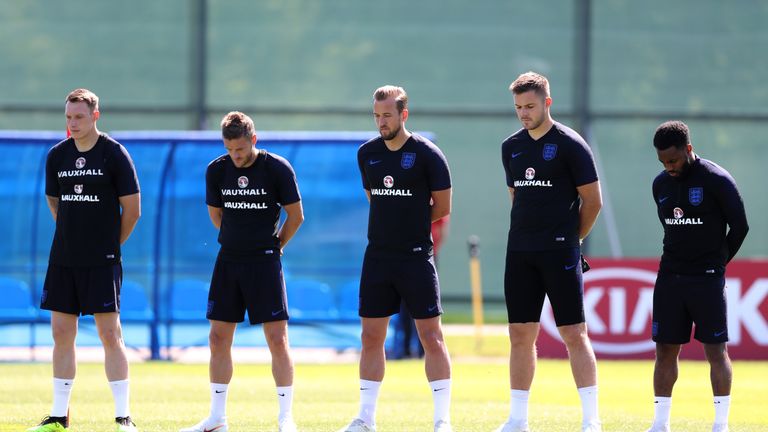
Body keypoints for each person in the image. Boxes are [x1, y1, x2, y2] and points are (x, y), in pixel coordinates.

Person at [339, 85, 453, 432]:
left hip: (416, 258)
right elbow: (375, 197)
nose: (381, 122)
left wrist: (408, 226)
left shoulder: (428, 155)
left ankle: (441, 420)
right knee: (371, 337)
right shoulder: (367, 154)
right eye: (376, 115)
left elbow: (443, 207)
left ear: (404, 114)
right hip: (378, 257)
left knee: (431, 337)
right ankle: (366, 418)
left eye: (387, 115)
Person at [181, 112, 304, 432]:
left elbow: (296, 216)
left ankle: (285, 418)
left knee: (277, 339)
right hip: (229, 262)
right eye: (230, 149)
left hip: (265, 262)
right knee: (218, 338)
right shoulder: (217, 170)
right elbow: (216, 214)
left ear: (253, 139)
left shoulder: (277, 168)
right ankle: (217, 418)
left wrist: (276, 246)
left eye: (240, 149)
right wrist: (237, 242)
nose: (235, 156)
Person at [29, 88, 141, 432]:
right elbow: (55, 203)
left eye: (79, 116)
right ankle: (59, 417)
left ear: (95, 115)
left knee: (110, 334)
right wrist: (73, 237)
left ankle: (123, 417)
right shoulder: (57, 156)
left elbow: (133, 211)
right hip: (64, 259)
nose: (72, 123)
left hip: (102, 260)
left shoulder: (114, 154)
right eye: (68, 117)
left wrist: (107, 245)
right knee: (62, 333)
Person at [496, 72, 603, 432]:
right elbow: (517, 198)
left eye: (530, 106)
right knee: (520, 336)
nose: (524, 113)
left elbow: (593, 201)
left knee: (574, 333)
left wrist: (572, 239)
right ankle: (517, 419)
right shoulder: (510, 147)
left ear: (547, 103)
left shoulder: (572, 145)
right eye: (518, 108)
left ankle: (591, 421)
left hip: (560, 253)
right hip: (521, 252)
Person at [645, 121, 749, 432]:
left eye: (673, 160)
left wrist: (718, 263)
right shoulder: (660, 184)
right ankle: (660, 424)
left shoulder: (717, 180)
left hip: (706, 279)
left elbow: (740, 226)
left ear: (688, 149)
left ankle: (720, 425)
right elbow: (670, 229)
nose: (669, 167)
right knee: (664, 350)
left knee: (715, 351)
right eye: (663, 162)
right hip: (670, 278)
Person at [393, 217, 449, 360]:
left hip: (426, 256)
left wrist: (431, 250)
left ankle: (423, 350)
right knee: (405, 306)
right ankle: (405, 349)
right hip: (406, 254)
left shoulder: (433, 203)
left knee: (425, 307)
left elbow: (441, 232)